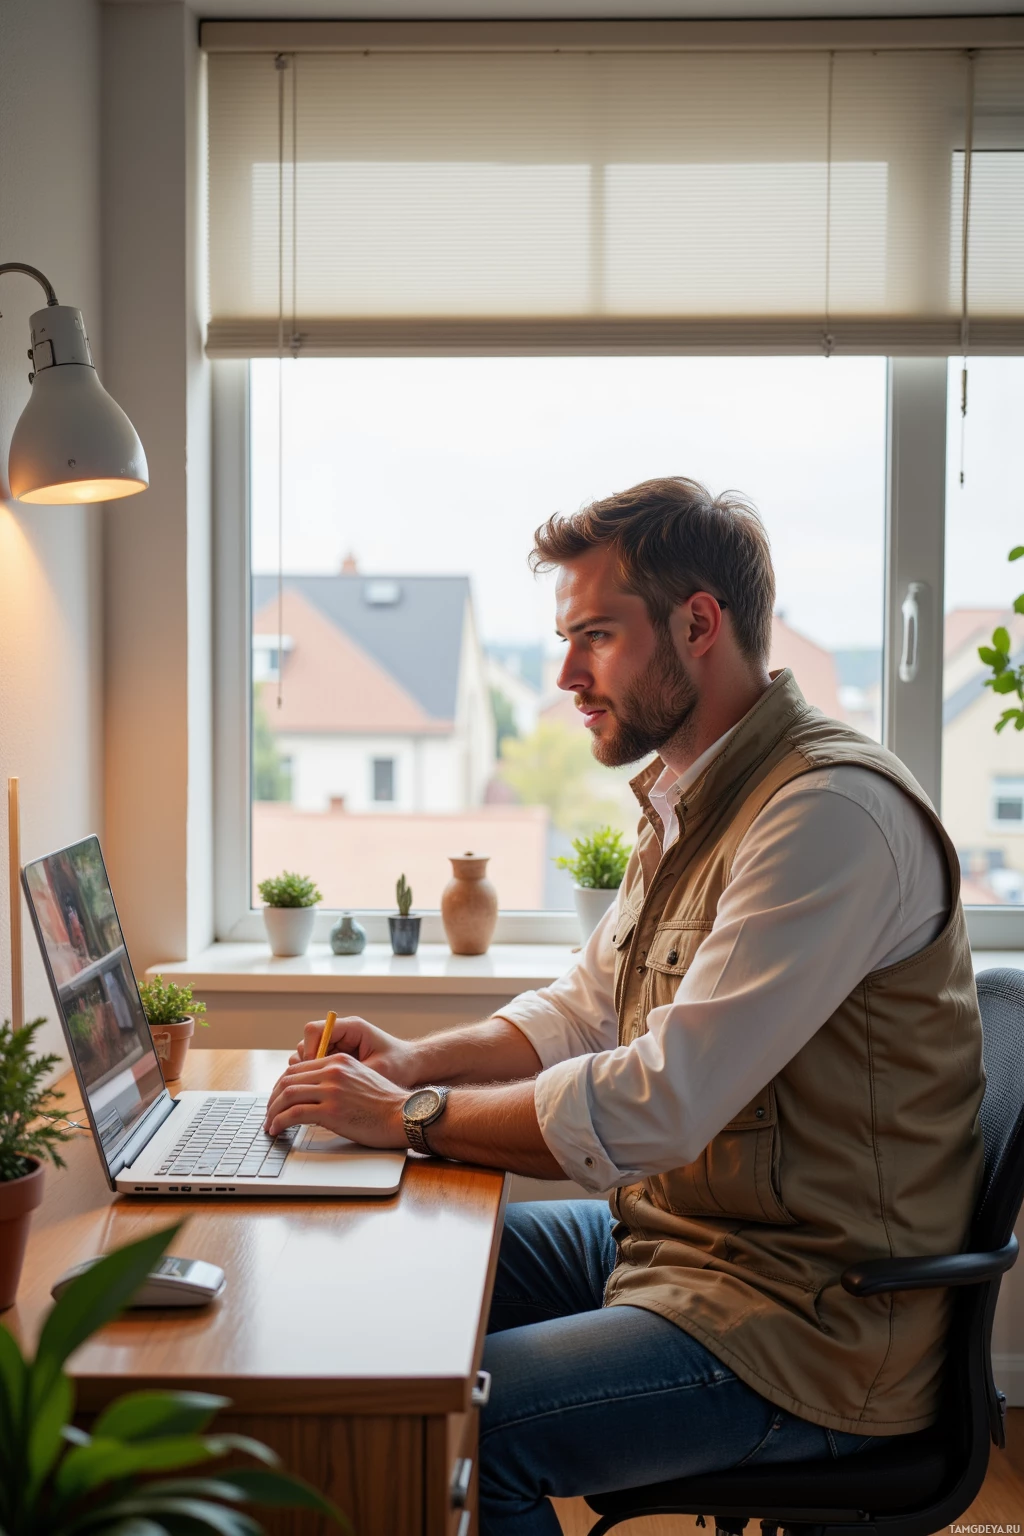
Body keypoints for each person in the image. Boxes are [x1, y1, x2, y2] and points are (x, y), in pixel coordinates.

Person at [264, 477, 984, 1536]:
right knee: (399, 1270)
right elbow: (587, 1009)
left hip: (805, 1322)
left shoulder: (824, 818)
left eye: (594, 636)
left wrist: (406, 1121)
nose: (564, 676)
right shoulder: (693, 798)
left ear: (699, 623)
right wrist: (418, 1064)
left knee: (459, 1422)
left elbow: (656, 1103)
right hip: (688, 1245)